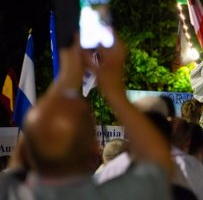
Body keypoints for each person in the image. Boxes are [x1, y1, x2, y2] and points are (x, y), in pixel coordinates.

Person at [0, 35, 173, 200]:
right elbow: (158, 158)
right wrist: (114, 91)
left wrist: (63, 81)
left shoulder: (9, 191)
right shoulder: (112, 194)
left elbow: (20, 158)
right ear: (94, 149)